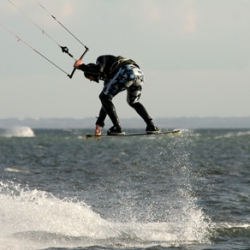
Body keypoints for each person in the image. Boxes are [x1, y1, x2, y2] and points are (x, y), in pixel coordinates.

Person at [74, 55, 160, 135]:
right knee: (133, 102)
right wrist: (99, 124)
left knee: (104, 97)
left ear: (91, 72)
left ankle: (117, 127)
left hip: (126, 71)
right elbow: (105, 105)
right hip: (139, 74)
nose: (90, 80)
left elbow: (98, 69)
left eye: (89, 77)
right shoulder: (109, 79)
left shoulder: (101, 59)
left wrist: (81, 66)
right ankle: (151, 126)